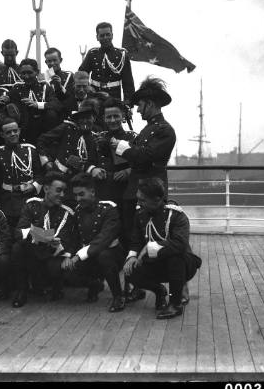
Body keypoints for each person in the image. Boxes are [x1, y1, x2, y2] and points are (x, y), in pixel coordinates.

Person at [110, 76, 176, 246]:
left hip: (151, 192)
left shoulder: (165, 130)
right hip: (134, 191)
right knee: (130, 234)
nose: (138, 110)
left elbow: (145, 156)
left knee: (149, 236)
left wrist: (121, 147)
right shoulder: (148, 129)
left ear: (150, 104)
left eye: (140, 105)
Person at [123, 178, 202, 319]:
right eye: (138, 199)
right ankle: (159, 291)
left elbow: (179, 244)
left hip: (182, 264)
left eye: (143, 200)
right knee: (129, 271)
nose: (139, 203)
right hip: (155, 262)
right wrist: (132, 256)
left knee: (175, 258)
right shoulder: (140, 215)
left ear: (158, 199)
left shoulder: (177, 216)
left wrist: (149, 247)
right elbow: (135, 240)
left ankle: (175, 304)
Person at [11, 171, 76, 308]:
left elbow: (66, 240)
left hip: (53, 255)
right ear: (46, 189)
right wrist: (45, 237)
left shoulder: (67, 213)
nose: (62, 195)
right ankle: (21, 291)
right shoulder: (32, 205)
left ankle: (56, 287)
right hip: (35, 253)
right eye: (58, 190)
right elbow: (20, 231)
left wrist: (53, 243)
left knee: (56, 266)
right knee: (18, 248)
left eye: (64, 191)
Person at [62, 173, 125, 312]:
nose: (78, 199)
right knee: (67, 270)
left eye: (81, 194)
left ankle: (118, 296)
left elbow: (104, 239)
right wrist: (68, 256)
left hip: (111, 254)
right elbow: (75, 237)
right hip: (89, 256)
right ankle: (94, 285)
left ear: (92, 191)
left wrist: (78, 256)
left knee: (104, 256)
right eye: (76, 195)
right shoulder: (78, 211)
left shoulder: (109, 208)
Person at [36, 100, 104, 207]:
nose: (85, 121)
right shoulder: (67, 128)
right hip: (58, 178)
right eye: (82, 118)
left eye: (88, 118)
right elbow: (42, 140)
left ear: (94, 119)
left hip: (79, 185)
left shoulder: (95, 138)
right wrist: (46, 162)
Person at [0, 118, 43, 228]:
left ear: (19, 131)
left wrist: (34, 186)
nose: (13, 134)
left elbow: (40, 174)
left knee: (33, 232)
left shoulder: (30, 150)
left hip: (29, 197)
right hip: (9, 201)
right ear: (2, 134)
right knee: (13, 233)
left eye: (15, 131)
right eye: (8, 132)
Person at [8, 58, 62, 144]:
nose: (26, 76)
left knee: (52, 114)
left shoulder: (45, 87)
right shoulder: (16, 89)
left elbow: (57, 105)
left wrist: (37, 105)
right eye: (23, 73)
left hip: (44, 129)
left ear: (37, 72)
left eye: (30, 73)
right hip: (24, 130)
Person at [79, 22, 135, 103]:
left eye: (108, 34)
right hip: (94, 96)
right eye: (102, 35)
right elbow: (81, 74)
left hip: (114, 96)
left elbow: (128, 82)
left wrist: (128, 102)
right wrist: (86, 87)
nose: (105, 38)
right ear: (97, 37)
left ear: (112, 35)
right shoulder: (92, 53)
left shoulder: (121, 54)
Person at [44, 47, 75, 120]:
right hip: (50, 114)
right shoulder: (43, 79)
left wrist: (60, 86)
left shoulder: (69, 75)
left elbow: (71, 96)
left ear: (60, 60)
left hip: (66, 112)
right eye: (49, 61)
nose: (52, 63)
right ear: (46, 62)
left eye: (55, 60)